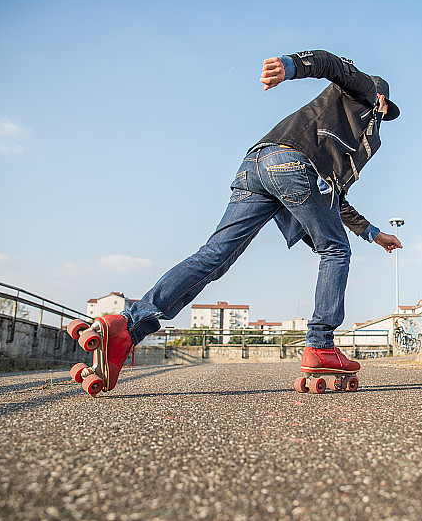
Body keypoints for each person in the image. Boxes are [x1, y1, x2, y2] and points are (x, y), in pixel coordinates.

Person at [67, 50, 402, 395]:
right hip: (292, 166)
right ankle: (320, 344)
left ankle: (126, 328)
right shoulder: (361, 91)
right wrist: (291, 66)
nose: (381, 116)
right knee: (335, 250)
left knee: (213, 257)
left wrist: (374, 234)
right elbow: (331, 64)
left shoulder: (352, 138)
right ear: (379, 98)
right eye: (384, 109)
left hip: (255, 166)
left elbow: (334, 198)